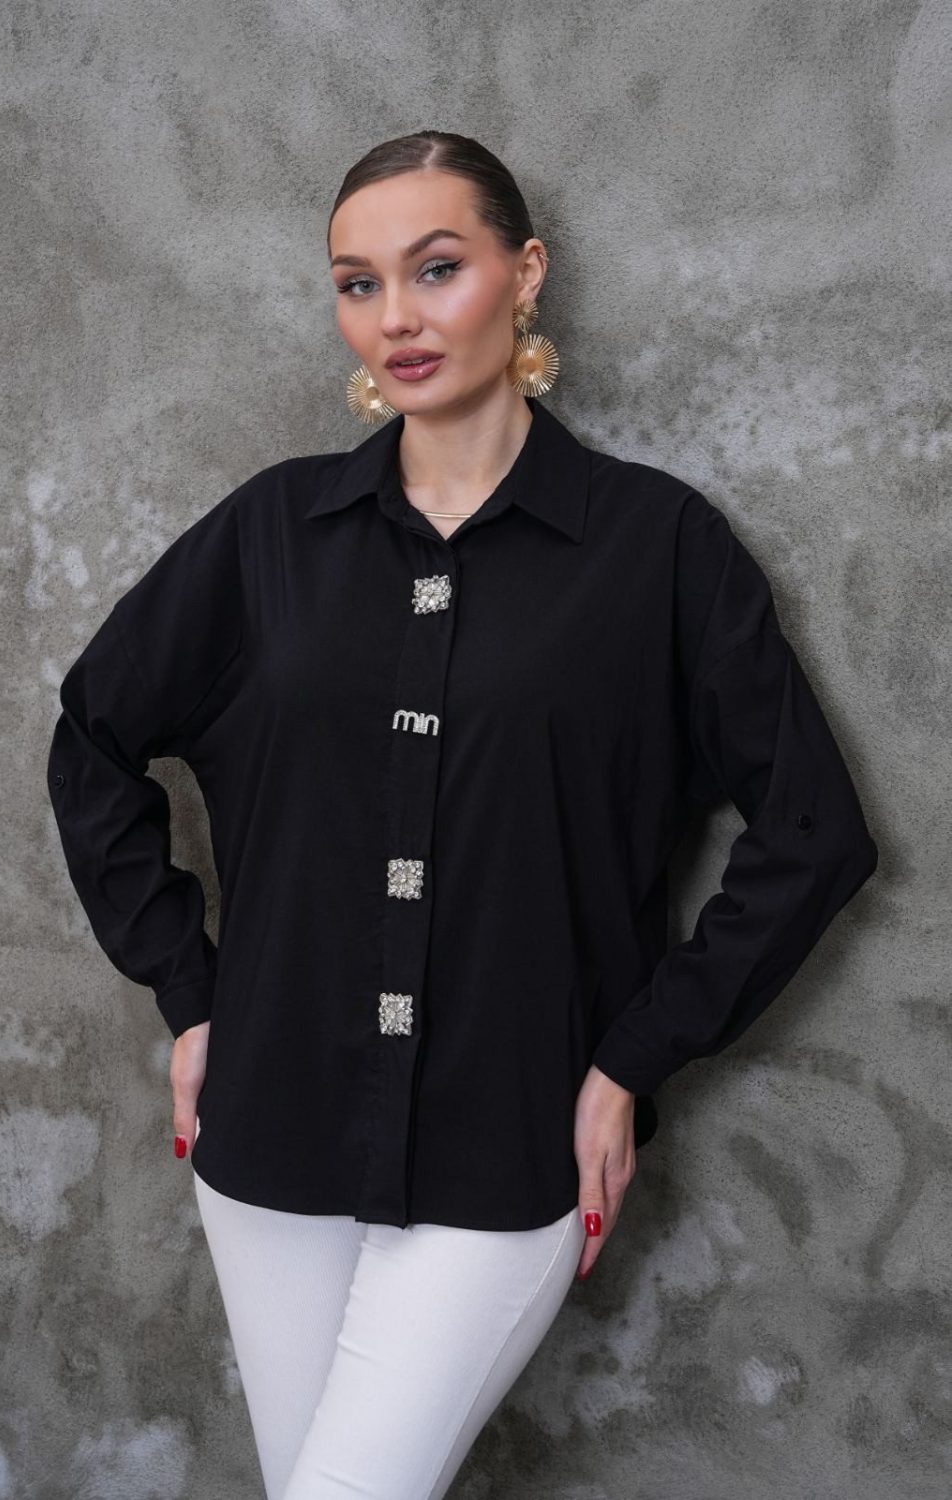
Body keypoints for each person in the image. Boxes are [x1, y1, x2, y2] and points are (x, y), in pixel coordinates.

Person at [46, 130, 879, 1499]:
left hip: (515, 1136)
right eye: (357, 283)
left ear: (525, 271)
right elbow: (93, 737)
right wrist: (190, 995)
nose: (398, 317)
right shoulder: (270, 537)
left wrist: (633, 1058)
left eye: (436, 269)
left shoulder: (658, 549)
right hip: (272, 1132)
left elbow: (815, 832)